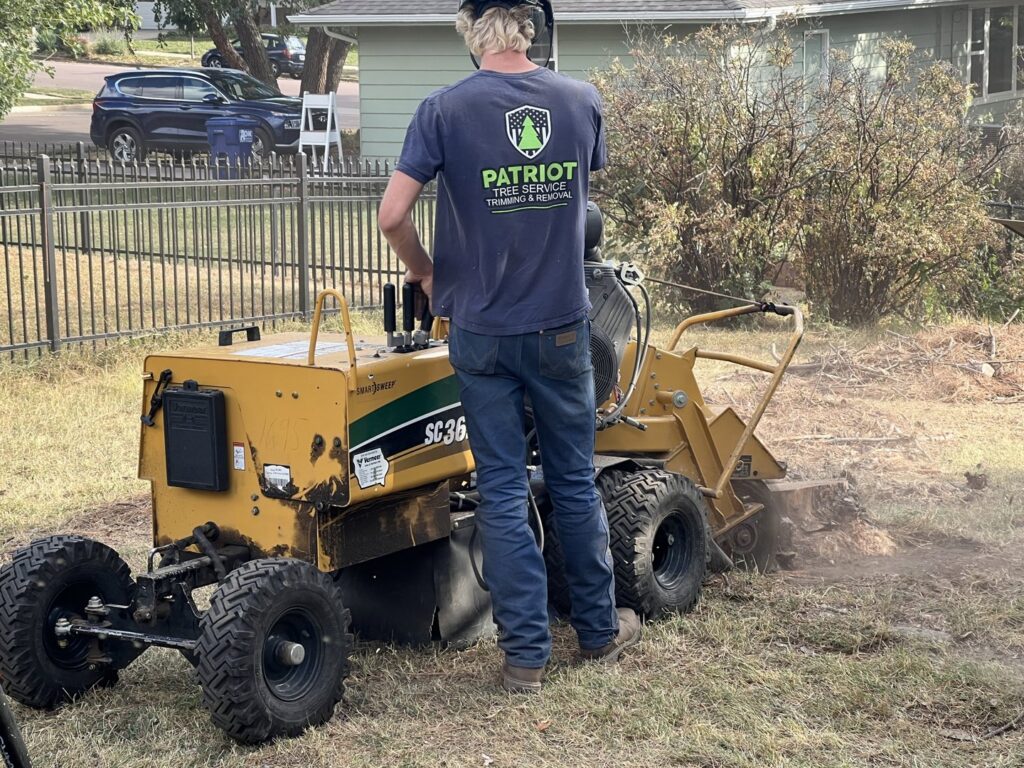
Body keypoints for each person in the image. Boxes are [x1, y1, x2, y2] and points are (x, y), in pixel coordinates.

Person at [378, 0, 640, 694]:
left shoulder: (443, 110)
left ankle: (525, 658)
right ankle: (598, 634)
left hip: (481, 334)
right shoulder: (580, 100)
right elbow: (581, 200)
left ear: (470, 32)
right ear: (532, 28)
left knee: (499, 488)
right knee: (574, 479)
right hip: (560, 328)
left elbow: (392, 214)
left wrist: (425, 271)